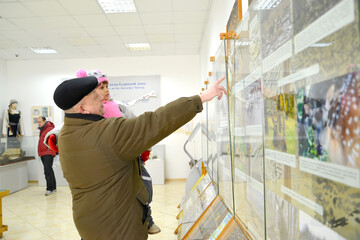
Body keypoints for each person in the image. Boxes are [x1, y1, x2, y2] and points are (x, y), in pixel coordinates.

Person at [53, 75, 226, 240]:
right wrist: (200, 98)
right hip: (118, 229)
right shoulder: (107, 134)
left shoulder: (66, 135)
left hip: (89, 225)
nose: (100, 97)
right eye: (94, 96)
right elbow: (155, 122)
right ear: (82, 109)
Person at [76, 69, 161, 234]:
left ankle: (147, 217)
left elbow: (137, 125)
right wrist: (52, 137)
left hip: (129, 155)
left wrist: (145, 148)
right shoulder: (87, 111)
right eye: (101, 87)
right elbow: (66, 127)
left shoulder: (119, 106)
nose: (106, 90)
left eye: (107, 86)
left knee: (144, 185)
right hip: (105, 161)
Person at [37, 116, 57, 196]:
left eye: (40, 122)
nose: (38, 123)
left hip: (48, 152)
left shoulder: (49, 129)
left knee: (47, 171)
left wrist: (49, 149)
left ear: (45, 121)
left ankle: (50, 189)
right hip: (44, 152)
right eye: (38, 122)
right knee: (49, 170)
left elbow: (53, 140)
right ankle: (53, 187)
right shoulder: (43, 129)